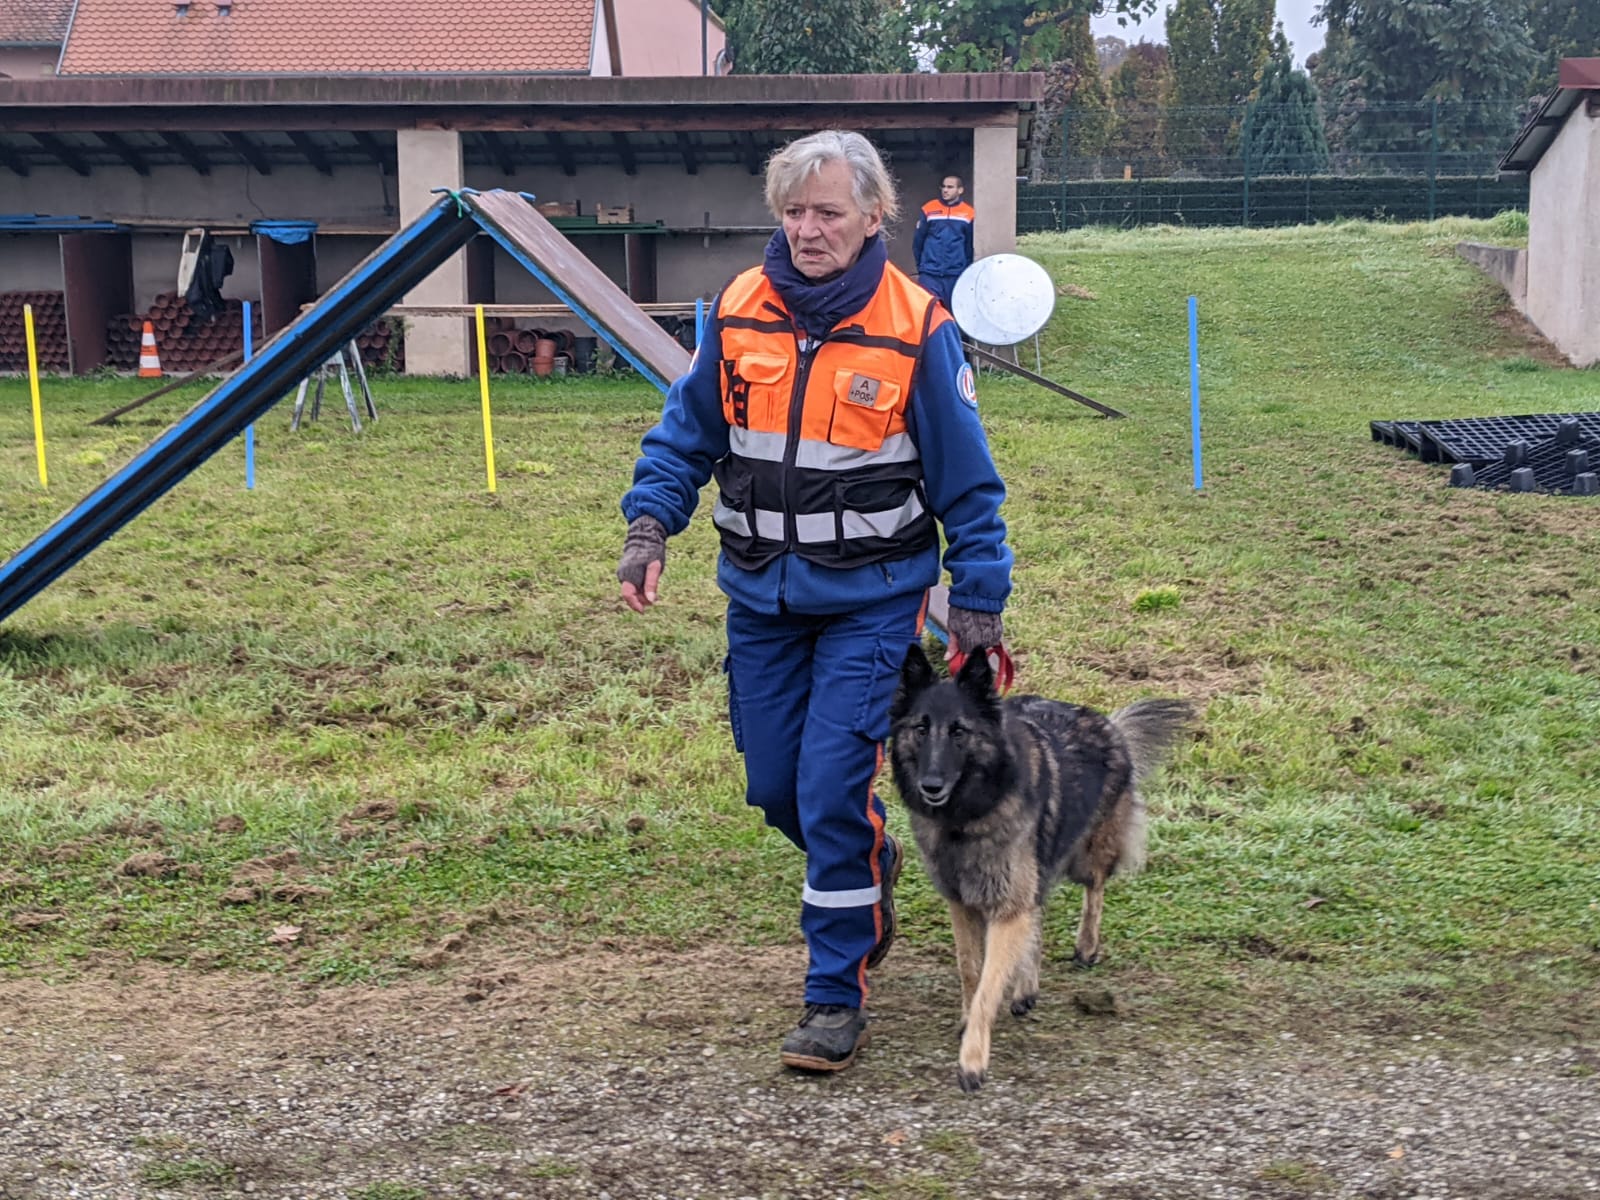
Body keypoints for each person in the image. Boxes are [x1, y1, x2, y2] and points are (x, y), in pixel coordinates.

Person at [616, 130, 1012, 1074]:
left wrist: (981, 599)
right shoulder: (737, 312)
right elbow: (685, 437)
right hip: (760, 596)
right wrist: (647, 527)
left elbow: (969, 480)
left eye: (826, 212)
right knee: (774, 786)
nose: (806, 230)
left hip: (875, 602)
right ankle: (868, 872)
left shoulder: (919, 326)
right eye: (792, 212)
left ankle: (834, 994)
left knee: (832, 788)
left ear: (875, 217)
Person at [912, 175, 975, 311]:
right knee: (929, 312)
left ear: (960, 190)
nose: (945, 190)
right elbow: (918, 241)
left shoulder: (969, 213)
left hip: (955, 274)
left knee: (954, 312)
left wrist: (964, 268)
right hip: (930, 274)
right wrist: (922, 266)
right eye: (943, 187)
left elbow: (969, 246)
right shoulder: (929, 209)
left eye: (950, 187)